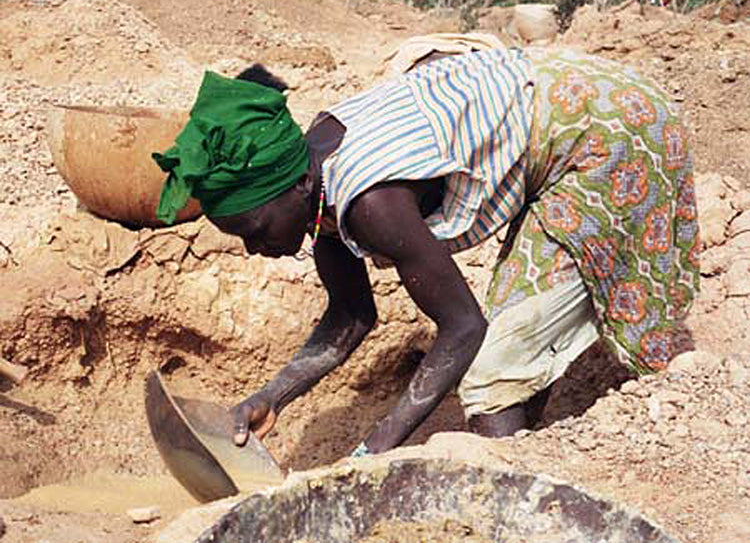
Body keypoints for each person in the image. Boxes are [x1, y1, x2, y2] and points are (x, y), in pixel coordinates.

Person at [153, 46, 700, 457]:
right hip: (563, 109)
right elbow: (351, 315)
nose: (253, 249)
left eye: (254, 228)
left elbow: (464, 327)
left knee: (492, 378)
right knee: (517, 348)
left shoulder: (370, 202)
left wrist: (375, 450)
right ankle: (526, 454)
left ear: (291, 187)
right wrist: (273, 395)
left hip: (606, 131)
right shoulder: (314, 177)